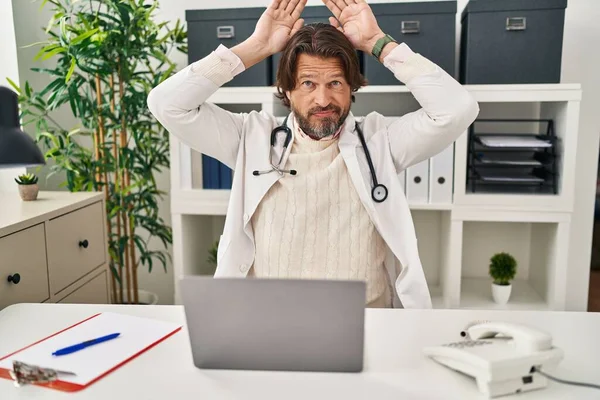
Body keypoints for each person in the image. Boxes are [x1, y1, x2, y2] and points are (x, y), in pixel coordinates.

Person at [148, 0, 479, 309]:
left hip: (369, 322)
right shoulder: (252, 138)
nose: (323, 99)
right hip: (273, 325)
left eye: (335, 83)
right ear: (288, 91)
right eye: (308, 83)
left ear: (352, 88)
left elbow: (457, 110)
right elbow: (167, 105)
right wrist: (256, 48)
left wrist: (378, 42)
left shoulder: (381, 142)